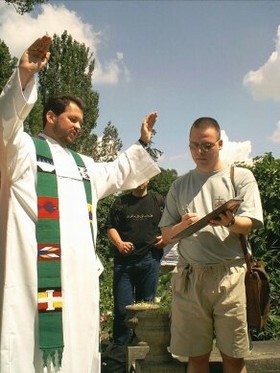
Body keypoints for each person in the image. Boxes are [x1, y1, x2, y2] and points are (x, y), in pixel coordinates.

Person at [0, 36, 161, 373]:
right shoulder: (25, 152)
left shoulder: (84, 165)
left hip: (80, 277)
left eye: (80, 121)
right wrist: (25, 76)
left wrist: (143, 141)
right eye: (72, 119)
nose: (78, 125)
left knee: (80, 347)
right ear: (49, 116)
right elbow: (5, 127)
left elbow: (119, 172)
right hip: (40, 275)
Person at [159, 117, 263, 373]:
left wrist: (229, 222)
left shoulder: (240, 177)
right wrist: (182, 226)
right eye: (193, 146)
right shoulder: (179, 185)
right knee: (195, 358)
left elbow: (250, 222)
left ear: (220, 144)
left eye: (206, 146)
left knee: (235, 358)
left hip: (232, 276)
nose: (199, 152)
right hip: (190, 276)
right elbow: (166, 234)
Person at [106, 179, 165, 345]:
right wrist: (119, 243)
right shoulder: (120, 202)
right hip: (124, 263)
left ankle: (142, 346)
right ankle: (120, 350)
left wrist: (165, 240)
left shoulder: (159, 201)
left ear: (150, 178)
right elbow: (110, 227)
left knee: (146, 307)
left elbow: (170, 223)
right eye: (137, 176)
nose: (140, 180)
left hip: (149, 259)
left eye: (144, 175)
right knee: (122, 309)